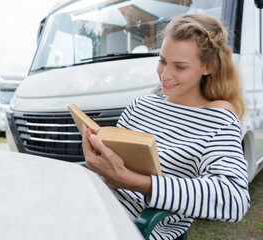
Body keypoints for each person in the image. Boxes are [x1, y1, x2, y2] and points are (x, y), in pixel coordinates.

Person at [82, 13, 250, 240]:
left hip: (138, 226)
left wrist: (138, 183)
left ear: (207, 67)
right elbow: (114, 163)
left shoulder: (217, 120)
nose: (165, 75)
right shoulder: (141, 105)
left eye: (180, 67)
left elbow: (234, 199)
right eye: (162, 61)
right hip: (96, 203)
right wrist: (98, 158)